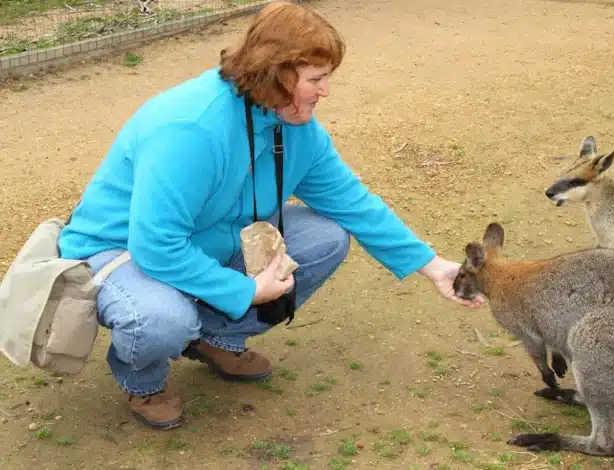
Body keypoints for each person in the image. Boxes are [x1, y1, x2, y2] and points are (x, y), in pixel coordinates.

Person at [57, 0, 483, 430]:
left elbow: (350, 200)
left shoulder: (291, 122)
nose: (325, 91)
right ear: (278, 75)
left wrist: (432, 266)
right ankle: (144, 382)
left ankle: (213, 338)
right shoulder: (190, 128)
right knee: (160, 319)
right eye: (316, 79)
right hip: (123, 251)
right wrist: (242, 290)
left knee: (326, 238)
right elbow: (156, 245)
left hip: (209, 238)